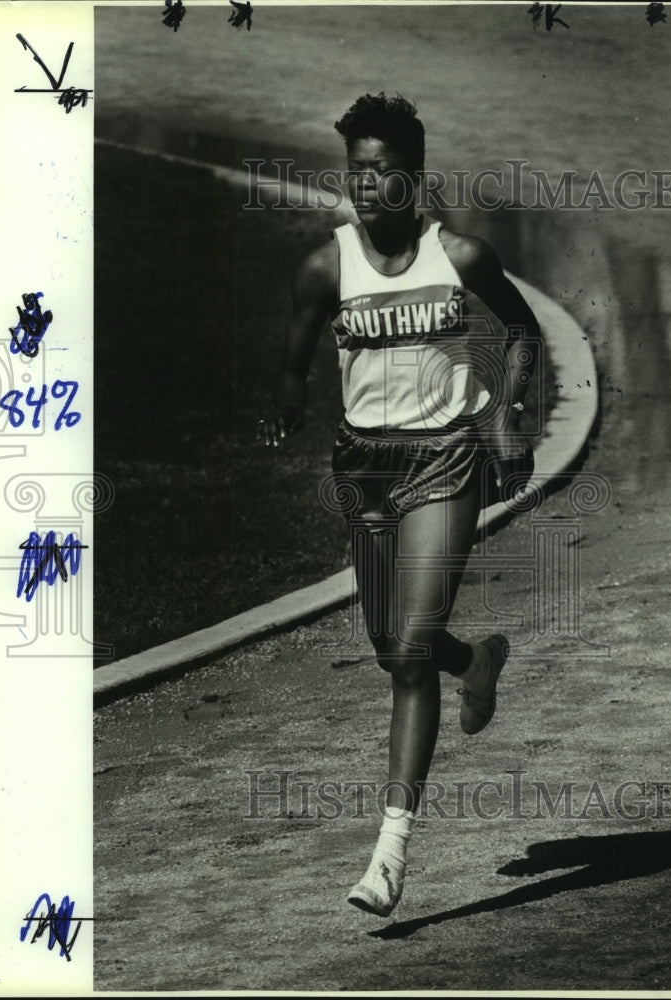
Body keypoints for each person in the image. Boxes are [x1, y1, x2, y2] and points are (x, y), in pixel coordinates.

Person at [257, 93, 539, 917]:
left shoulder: (461, 256)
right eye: (357, 172)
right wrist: (286, 406)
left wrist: (508, 418)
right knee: (392, 644)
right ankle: (476, 662)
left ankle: (389, 852)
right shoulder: (325, 267)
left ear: (413, 176)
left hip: (445, 459)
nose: (368, 186)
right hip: (364, 468)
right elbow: (294, 358)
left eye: (382, 171)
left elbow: (521, 332)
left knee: (408, 645)